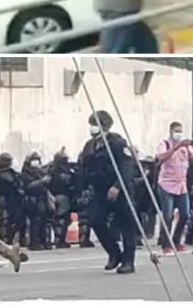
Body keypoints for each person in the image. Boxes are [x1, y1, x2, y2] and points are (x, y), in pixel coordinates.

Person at [77, 110, 139, 274]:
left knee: (126, 225)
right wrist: (83, 188)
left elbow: (126, 167)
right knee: (95, 220)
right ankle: (114, 253)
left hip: (119, 189)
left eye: (95, 124)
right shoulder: (90, 145)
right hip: (99, 189)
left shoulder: (117, 143)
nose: (92, 128)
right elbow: (84, 167)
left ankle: (128, 261)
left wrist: (117, 186)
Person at [154, 121, 193, 255]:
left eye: (180, 131)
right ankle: (165, 244)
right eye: (176, 131)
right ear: (170, 131)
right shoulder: (165, 144)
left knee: (185, 214)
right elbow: (160, 157)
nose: (179, 134)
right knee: (168, 215)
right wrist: (176, 147)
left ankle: (177, 241)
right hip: (166, 184)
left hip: (181, 185)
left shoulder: (186, 147)